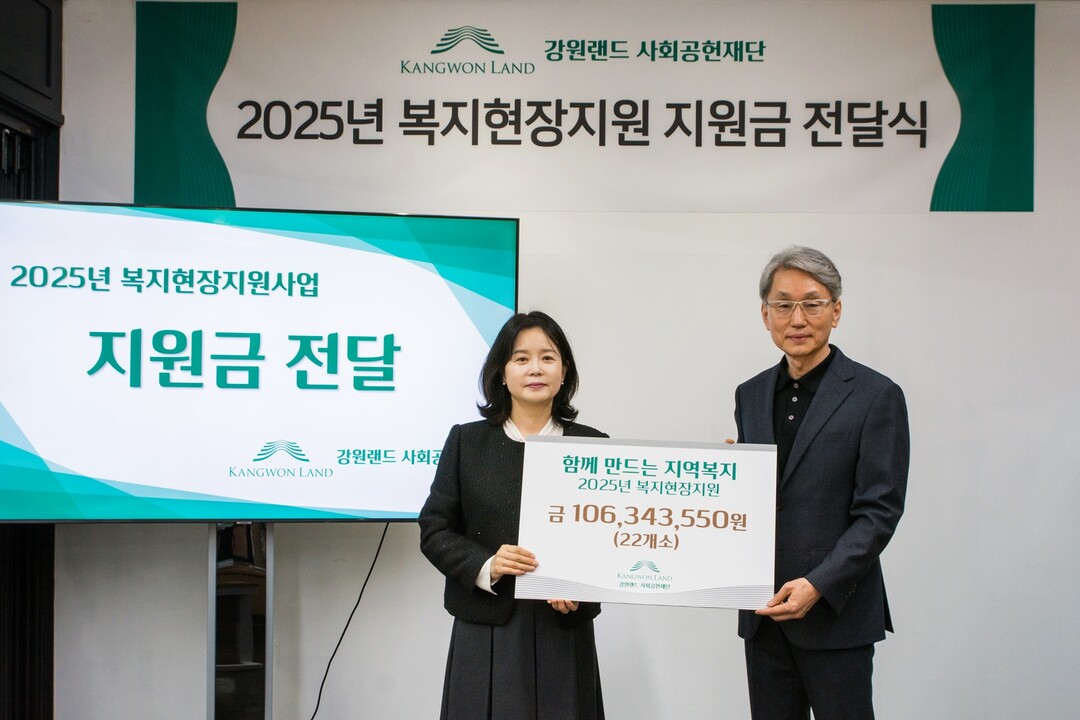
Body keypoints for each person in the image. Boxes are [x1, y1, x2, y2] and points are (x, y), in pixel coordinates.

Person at [733, 246, 909, 720]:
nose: (797, 318)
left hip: (835, 613)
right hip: (763, 612)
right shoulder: (749, 394)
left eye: (812, 303)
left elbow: (879, 512)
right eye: (783, 304)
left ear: (836, 311)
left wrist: (818, 584)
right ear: (765, 314)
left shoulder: (876, 395)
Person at [419, 310, 607, 720]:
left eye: (547, 357)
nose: (535, 369)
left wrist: (581, 588)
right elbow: (435, 529)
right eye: (521, 358)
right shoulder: (467, 441)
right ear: (501, 373)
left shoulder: (594, 445)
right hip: (487, 627)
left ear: (564, 372)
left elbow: (609, 541)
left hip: (563, 627)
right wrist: (486, 564)